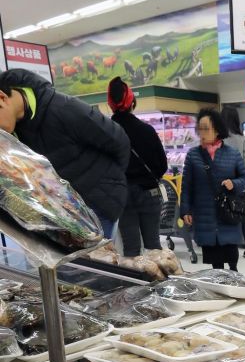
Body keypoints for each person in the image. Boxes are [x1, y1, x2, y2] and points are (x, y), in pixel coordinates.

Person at [0, 68, 129, 238]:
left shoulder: (63, 108)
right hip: (59, 214)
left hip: (97, 205)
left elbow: (118, 140)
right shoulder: (14, 131)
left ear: (2, 98)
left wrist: (111, 184)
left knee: (95, 255)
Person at [180, 108, 245, 270]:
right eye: (200, 129)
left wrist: (234, 184)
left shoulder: (232, 154)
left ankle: (234, 280)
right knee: (215, 263)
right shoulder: (193, 155)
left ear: (217, 130)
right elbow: (187, 186)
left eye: (206, 128)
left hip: (227, 213)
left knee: (231, 258)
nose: (202, 133)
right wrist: (185, 210)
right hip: (205, 214)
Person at [107, 76, 168, 257]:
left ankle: (134, 275)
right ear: (132, 102)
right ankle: (158, 274)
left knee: (131, 249)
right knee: (153, 246)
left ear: (110, 104)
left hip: (123, 196)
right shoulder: (147, 131)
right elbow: (162, 165)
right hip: (149, 193)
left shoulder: (106, 132)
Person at [221, 104, 245, 259]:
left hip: (223, 184)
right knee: (242, 215)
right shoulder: (241, 138)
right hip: (239, 183)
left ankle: (227, 249)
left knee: (223, 215)